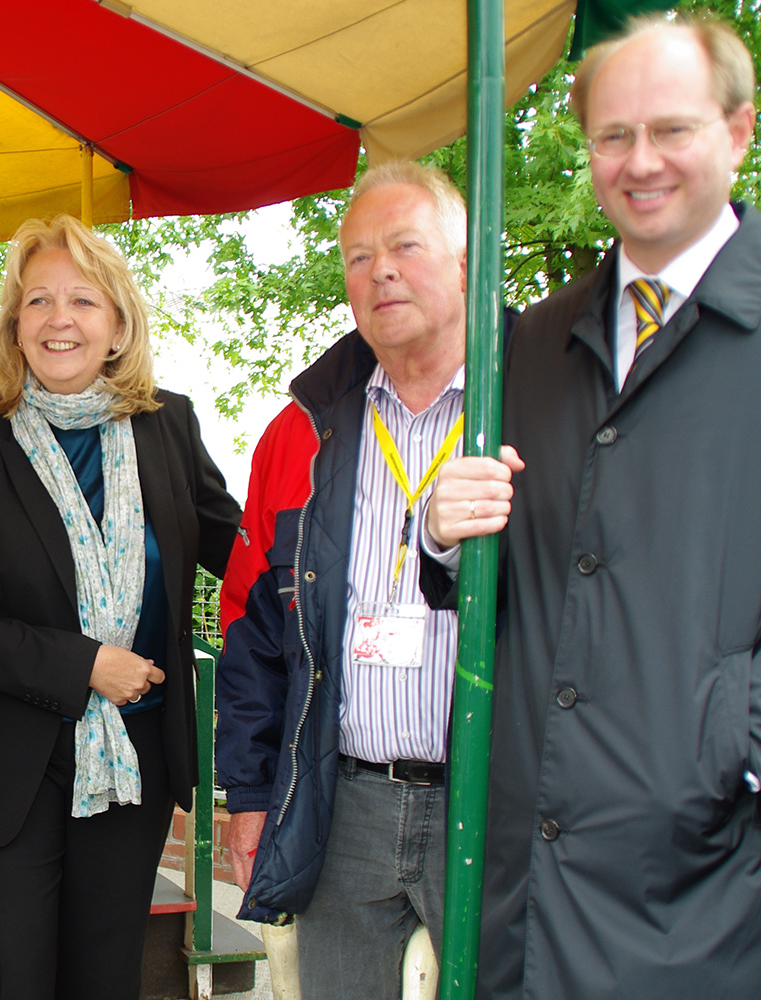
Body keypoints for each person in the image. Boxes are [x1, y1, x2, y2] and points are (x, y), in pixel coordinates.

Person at [421, 14, 761, 999]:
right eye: (614, 135)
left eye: (673, 130)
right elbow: (510, 563)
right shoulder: (530, 338)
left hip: (710, 890)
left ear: (738, 131)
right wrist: (441, 536)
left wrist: (735, 753)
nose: (639, 161)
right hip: (520, 894)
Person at [0, 215, 240, 1000]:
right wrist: (84, 664)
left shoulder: (171, 425)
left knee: (105, 979)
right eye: (39, 302)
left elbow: (245, 552)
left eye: (84, 301)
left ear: (119, 324)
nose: (61, 319)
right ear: (15, 327)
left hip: (133, 768)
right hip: (5, 773)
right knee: (10, 980)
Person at [212, 161, 475, 997]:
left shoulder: (538, 408)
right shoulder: (299, 434)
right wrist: (250, 792)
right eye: (358, 257)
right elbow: (251, 630)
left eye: (405, 246)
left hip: (490, 804)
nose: (381, 271)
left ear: (467, 264)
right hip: (343, 798)